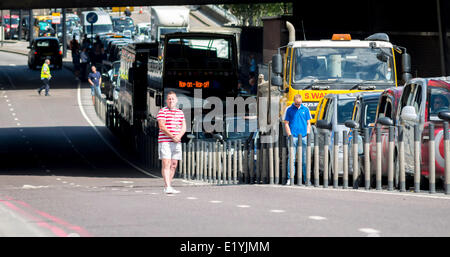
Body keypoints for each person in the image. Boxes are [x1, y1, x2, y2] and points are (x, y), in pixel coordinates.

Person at [157, 91, 186, 194]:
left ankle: (169, 185)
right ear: (166, 101)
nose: (171, 101)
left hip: (176, 142)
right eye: (169, 99)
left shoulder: (180, 112)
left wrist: (178, 136)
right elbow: (162, 126)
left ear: (176, 100)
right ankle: (167, 186)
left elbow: (184, 127)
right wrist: (172, 136)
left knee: (174, 164)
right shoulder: (162, 111)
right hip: (165, 141)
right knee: (166, 163)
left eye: (173, 99)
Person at [284, 94, 311, 185]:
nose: (298, 105)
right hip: (293, 137)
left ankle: (306, 179)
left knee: (305, 159)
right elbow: (286, 123)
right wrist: (289, 135)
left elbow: (308, 123)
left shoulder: (306, 109)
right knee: (291, 159)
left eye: (299, 104)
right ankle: (290, 178)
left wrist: (307, 133)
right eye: (296, 104)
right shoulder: (289, 109)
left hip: (303, 137)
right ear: (294, 101)